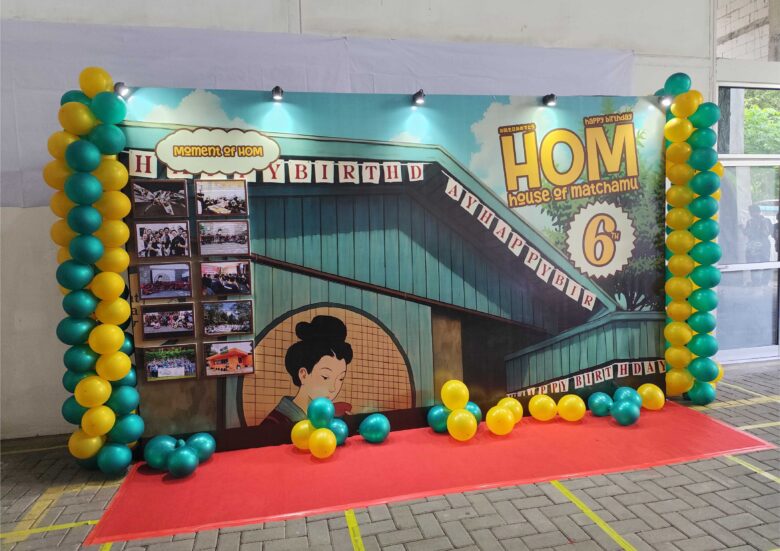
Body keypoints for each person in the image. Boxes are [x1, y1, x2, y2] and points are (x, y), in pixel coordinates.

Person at [260, 315, 353, 427]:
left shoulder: (329, 416)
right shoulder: (274, 423)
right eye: (325, 377)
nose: (333, 388)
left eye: (340, 379)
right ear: (303, 374)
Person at [743, 204, 773, 285]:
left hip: (760, 244)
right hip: (758, 244)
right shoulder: (751, 222)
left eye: (752, 212)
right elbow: (747, 232)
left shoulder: (764, 221)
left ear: (757, 212)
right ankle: (759, 282)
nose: (751, 214)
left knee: (761, 262)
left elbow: (768, 232)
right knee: (756, 262)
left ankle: (761, 282)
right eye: (750, 212)